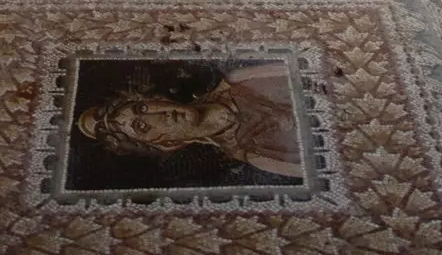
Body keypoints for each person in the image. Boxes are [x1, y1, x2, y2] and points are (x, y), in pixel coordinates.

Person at [75, 60, 303, 179]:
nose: (157, 114)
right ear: (167, 144)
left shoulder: (238, 81)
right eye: (142, 126)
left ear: (156, 98)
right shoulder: (254, 154)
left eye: (142, 107)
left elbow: (306, 71)